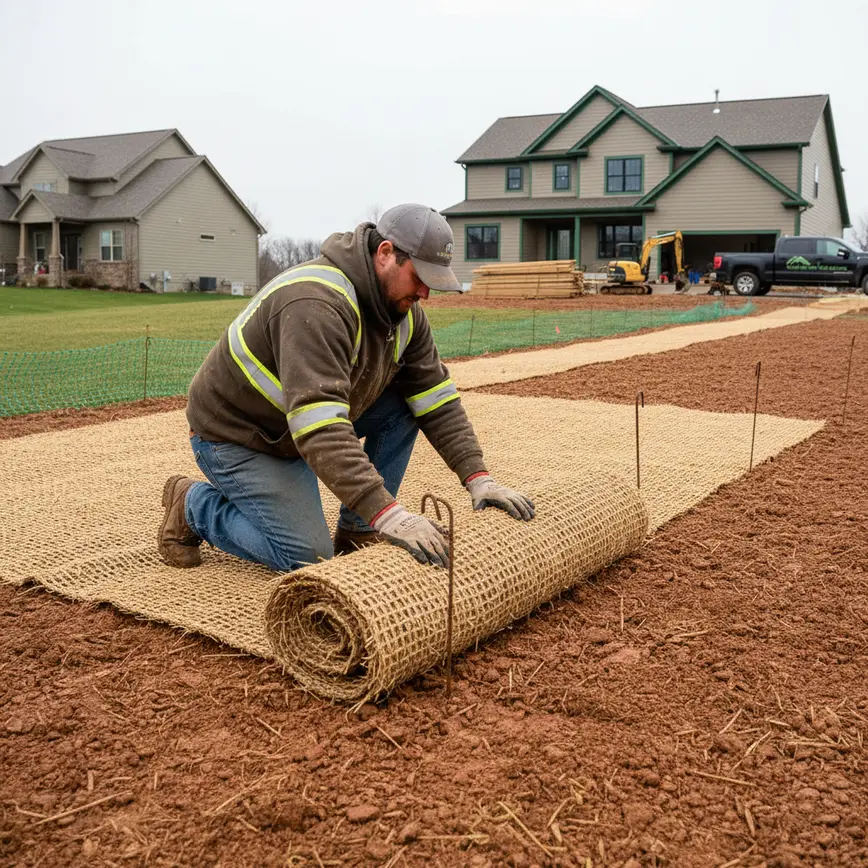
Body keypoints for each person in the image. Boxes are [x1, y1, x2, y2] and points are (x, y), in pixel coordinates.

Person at [158, 204, 535, 572]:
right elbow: (319, 426)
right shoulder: (315, 302)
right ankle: (193, 505)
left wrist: (478, 477)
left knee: (409, 402)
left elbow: (436, 398)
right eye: (419, 278)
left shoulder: (404, 315)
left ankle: (359, 529)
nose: (425, 294)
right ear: (386, 253)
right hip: (241, 437)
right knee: (305, 557)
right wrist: (390, 514)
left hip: (295, 427)